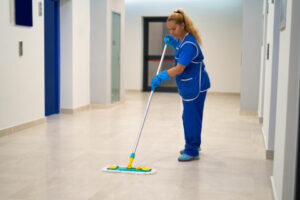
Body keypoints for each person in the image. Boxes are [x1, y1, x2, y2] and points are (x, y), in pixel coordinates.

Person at [151, 8, 210, 162]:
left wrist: (162, 76)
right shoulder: (184, 40)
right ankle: (194, 145)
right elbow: (180, 47)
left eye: (174, 28)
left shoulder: (189, 44)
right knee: (191, 116)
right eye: (169, 29)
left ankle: (192, 150)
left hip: (195, 86)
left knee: (191, 117)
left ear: (182, 25)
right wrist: (173, 43)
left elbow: (180, 68)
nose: (172, 31)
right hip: (190, 85)